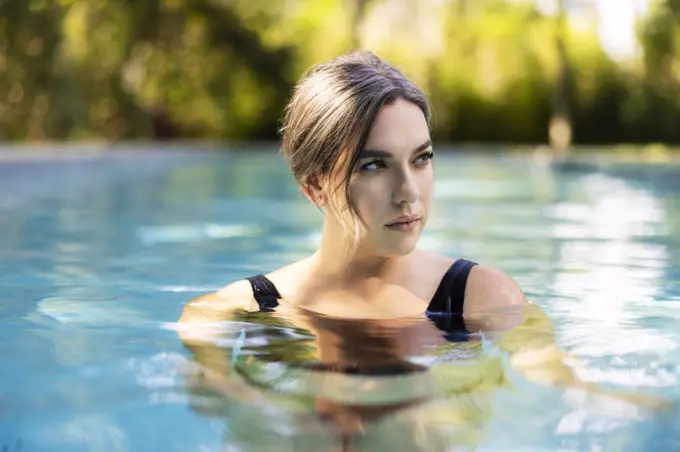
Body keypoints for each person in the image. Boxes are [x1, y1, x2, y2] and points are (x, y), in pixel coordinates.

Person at [177, 50, 671, 450]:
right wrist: (234, 389)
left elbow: (555, 380)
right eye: (374, 165)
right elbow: (201, 321)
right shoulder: (261, 303)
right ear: (315, 187)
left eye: (422, 158)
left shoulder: (477, 296)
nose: (409, 191)